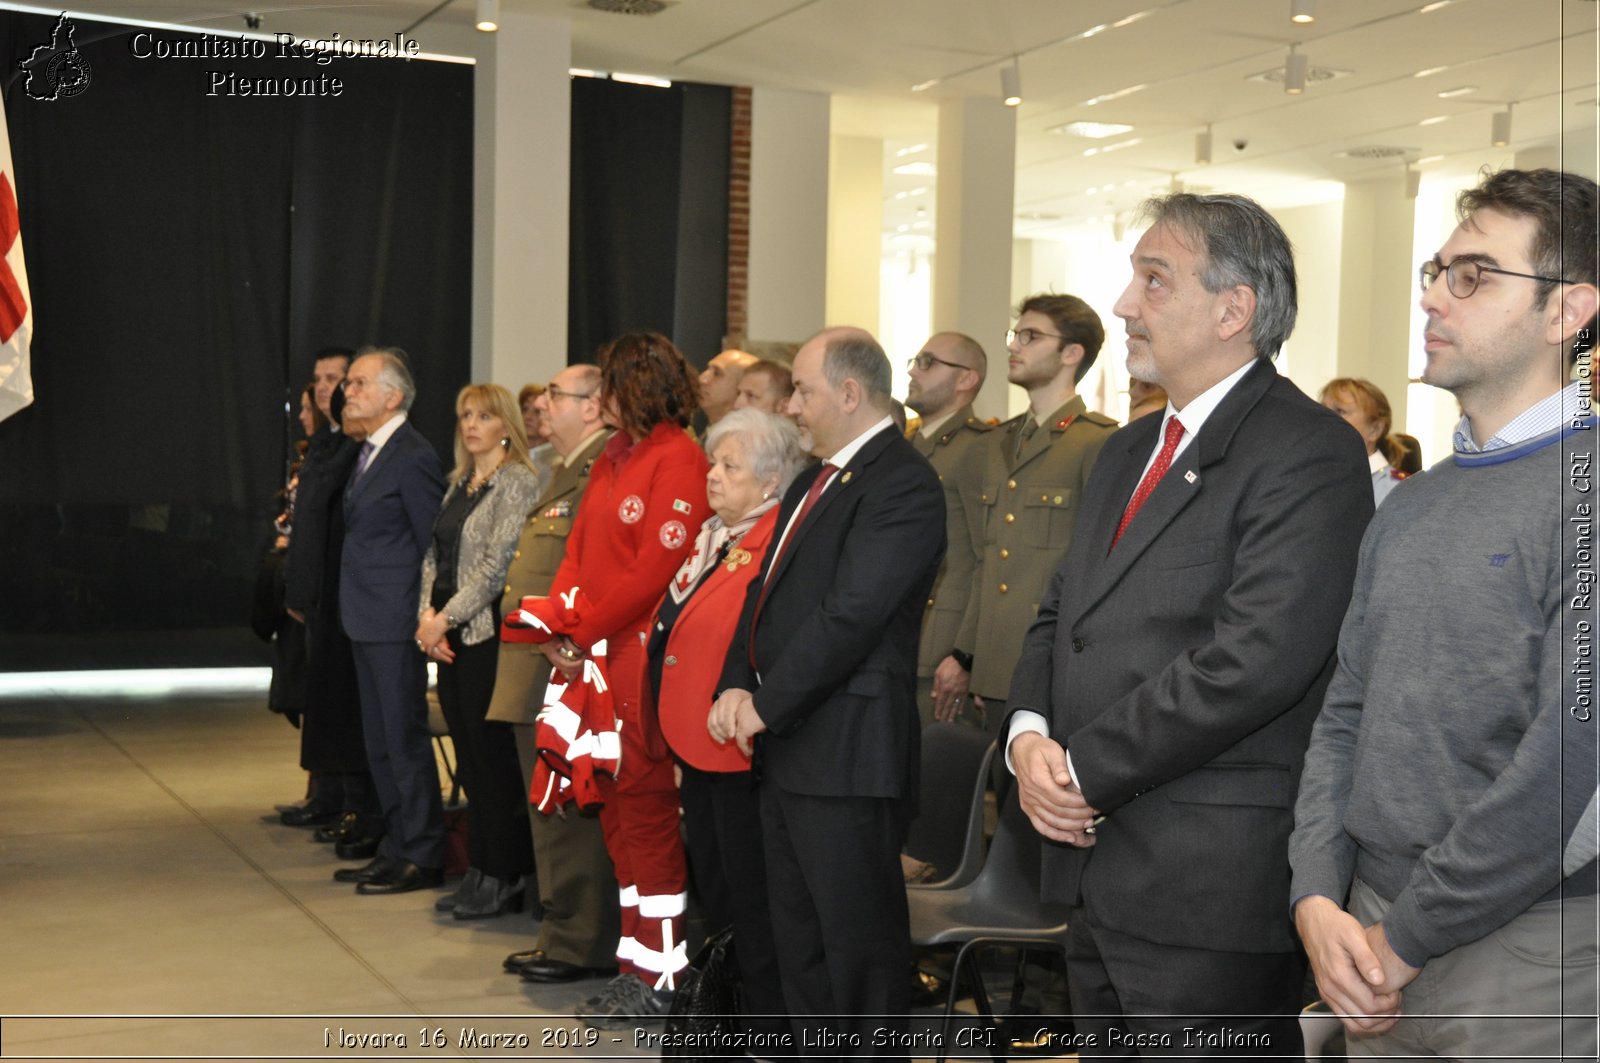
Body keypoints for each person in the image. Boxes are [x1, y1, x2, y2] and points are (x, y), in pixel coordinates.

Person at [1005, 193, 1373, 1056]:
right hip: (1093, 864)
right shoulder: (1126, 449)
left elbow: (1255, 659)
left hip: (1206, 881)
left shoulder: (1306, 450)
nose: (1126, 304)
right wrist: (1027, 738)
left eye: (1153, 279)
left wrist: (1078, 767)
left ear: (1233, 309)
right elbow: (1061, 613)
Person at [1289, 167, 1600, 1059]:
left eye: (1473, 275)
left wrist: (1406, 937)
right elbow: (1344, 712)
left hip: (1532, 948)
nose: (1432, 295)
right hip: (1370, 929)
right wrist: (1317, 894)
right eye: (1436, 270)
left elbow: (1568, 764)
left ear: (1568, 309)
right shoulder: (1414, 504)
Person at [710, 326, 946, 1047]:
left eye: (803, 391)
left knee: (859, 952)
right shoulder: (818, 478)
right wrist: (732, 682)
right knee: (800, 943)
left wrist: (766, 702)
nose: (793, 405)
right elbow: (765, 596)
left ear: (849, 392)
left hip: (846, 750)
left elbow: (852, 614)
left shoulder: (903, 481)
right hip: (789, 745)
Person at [502, 332, 710, 1025]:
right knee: (619, 825)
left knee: (647, 824)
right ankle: (634, 966)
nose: (601, 403)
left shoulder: (679, 457)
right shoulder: (614, 458)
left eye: (612, 390)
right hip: (592, 663)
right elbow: (580, 555)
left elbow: (653, 571)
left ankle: (666, 975)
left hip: (639, 665)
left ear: (640, 388)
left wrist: (579, 629)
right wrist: (561, 623)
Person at [648, 408, 808, 1040]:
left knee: (752, 897)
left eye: (729, 466)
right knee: (716, 889)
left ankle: (765, 1027)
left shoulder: (773, 542)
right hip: (696, 743)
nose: (712, 476)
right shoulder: (718, 534)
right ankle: (725, 1010)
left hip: (737, 749)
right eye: (714, 462)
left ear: (770, 482)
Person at [490, 365, 623, 984]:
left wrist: (572, 639)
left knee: (567, 809)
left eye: (556, 395)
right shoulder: (563, 468)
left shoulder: (602, 470)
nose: (542, 404)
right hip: (535, 661)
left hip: (565, 664)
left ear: (594, 407)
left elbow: (600, 573)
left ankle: (580, 941)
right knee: (548, 807)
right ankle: (561, 928)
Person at [935, 295, 1119, 741]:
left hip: (1051, 668)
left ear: (1071, 354)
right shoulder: (997, 443)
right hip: (993, 667)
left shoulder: (1097, 442)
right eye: (1015, 335)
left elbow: (1094, 568)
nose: (1014, 346)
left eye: (1031, 337)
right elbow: (987, 560)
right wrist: (969, 654)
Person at [415, 383, 542, 919]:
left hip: (485, 637)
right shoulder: (459, 483)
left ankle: (505, 873)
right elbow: (432, 555)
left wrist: (444, 617)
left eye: (484, 416)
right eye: (465, 415)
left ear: (505, 425)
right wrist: (426, 617)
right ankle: (480, 870)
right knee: (468, 758)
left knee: (492, 764)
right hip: (449, 639)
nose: (471, 425)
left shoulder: (517, 482)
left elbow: (496, 567)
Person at [334, 347, 447, 896]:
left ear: (392, 396)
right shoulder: (369, 450)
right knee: (378, 739)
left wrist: (427, 612)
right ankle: (396, 846)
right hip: (365, 615)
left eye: (358, 383)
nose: (348, 392)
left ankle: (423, 852)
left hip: (395, 617)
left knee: (402, 738)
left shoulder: (412, 454)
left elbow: (432, 540)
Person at [903, 332, 992, 727]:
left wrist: (964, 651)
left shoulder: (978, 448)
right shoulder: (908, 442)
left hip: (939, 642)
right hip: (901, 635)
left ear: (965, 380)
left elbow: (984, 556)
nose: (913, 372)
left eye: (927, 362)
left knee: (934, 777)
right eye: (915, 361)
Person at [1319, 377, 1409, 506]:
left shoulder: (1398, 491)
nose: (1323, 418)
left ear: (1375, 430)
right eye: (1322, 409)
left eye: (1339, 411)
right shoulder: (1316, 480)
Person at [698, 348, 759, 426]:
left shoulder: (747, 437)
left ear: (741, 390)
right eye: (707, 369)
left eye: (717, 373)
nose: (702, 379)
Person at [518, 382, 558, 496]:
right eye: (525, 409)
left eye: (537, 412)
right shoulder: (510, 456)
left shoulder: (556, 462)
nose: (528, 417)